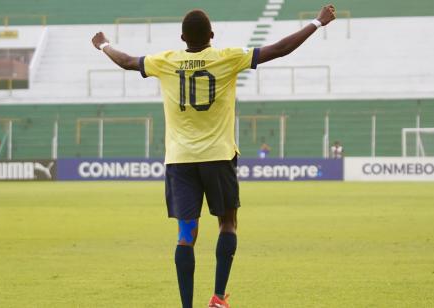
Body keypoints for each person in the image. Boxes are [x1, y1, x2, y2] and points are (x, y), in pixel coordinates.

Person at [92, 5, 336, 307]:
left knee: (185, 234)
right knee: (228, 224)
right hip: (218, 157)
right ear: (212, 35)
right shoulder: (227, 58)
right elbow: (280, 49)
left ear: (182, 37)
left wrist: (103, 44)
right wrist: (317, 22)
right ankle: (218, 297)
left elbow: (127, 61)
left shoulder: (165, 62)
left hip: (180, 161)